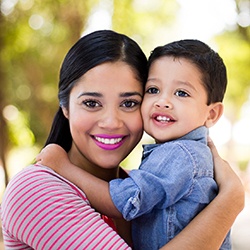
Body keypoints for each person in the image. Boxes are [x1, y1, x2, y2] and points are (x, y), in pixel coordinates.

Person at [1, 30, 244, 250]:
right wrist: (229, 202)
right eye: (91, 103)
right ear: (65, 106)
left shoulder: (144, 186)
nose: (111, 122)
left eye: (129, 103)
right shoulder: (36, 187)